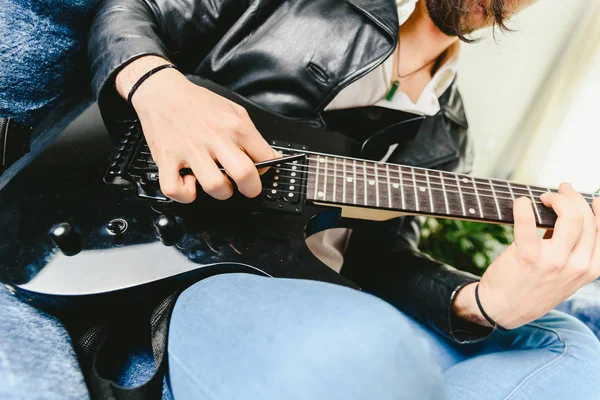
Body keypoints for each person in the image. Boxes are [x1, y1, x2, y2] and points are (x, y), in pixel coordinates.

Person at [1, 0, 600, 399]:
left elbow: (383, 259)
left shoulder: (448, 129)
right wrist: (156, 84)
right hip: (199, 264)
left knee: (575, 351)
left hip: (318, 279)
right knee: (357, 346)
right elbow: (136, 7)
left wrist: (480, 303)